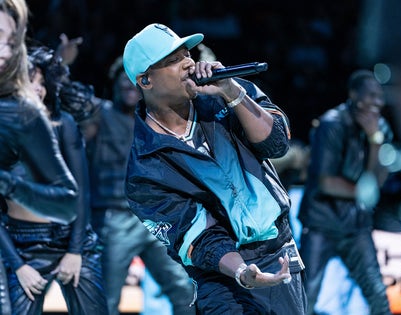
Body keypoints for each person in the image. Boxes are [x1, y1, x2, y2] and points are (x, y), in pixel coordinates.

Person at [123, 23, 306, 314]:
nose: (189, 64)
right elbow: (198, 237)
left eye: (188, 54)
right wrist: (243, 272)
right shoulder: (146, 169)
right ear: (146, 81)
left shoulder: (230, 93)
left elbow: (277, 145)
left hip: (277, 252)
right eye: (173, 61)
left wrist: (231, 92)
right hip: (221, 274)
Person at [61, 56, 197, 315]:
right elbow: (71, 96)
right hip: (114, 219)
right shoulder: (100, 114)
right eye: (122, 78)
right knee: (104, 298)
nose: (128, 83)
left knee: (184, 290)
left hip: (155, 219)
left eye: (134, 80)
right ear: (113, 84)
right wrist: (63, 62)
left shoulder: (156, 119)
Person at [0, 44, 108, 315]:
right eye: (28, 81)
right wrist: (18, 265)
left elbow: (82, 191)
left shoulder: (64, 124)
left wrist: (75, 251)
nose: (37, 89)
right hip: (22, 245)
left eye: (40, 82)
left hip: (73, 237)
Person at [1, 1, 77, 313]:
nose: (5, 53)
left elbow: (67, 201)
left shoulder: (23, 117)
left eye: (9, 42)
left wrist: (8, 184)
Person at [298, 69, 393, 315]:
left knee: (379, 297)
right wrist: (365, 192)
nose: (377, 102)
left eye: (380, 96)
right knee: (305, 297)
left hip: (356, 225)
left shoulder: (379, 127)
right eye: (370, 95)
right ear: (353, 95)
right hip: (322, 223)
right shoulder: (331, 124)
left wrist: (374, 139)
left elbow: (376, 180)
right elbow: (326, 182)